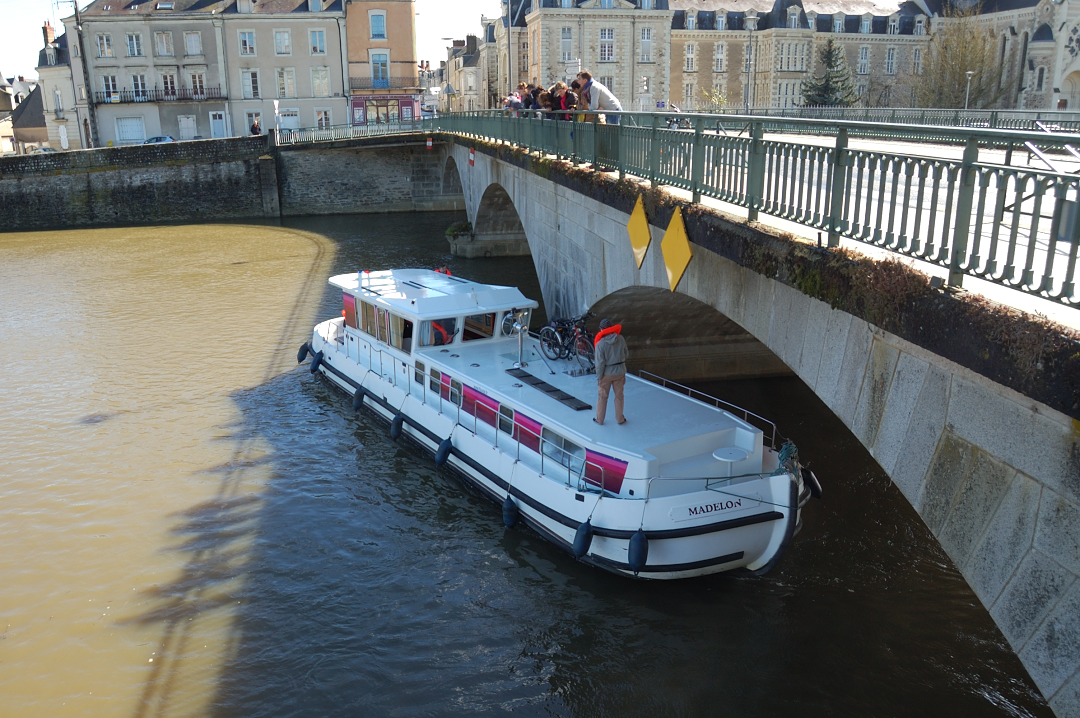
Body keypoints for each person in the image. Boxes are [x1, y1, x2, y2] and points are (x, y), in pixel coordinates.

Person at [593, 318, 628, 426]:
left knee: (602, 397)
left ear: (601, 329)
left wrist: (599, 377)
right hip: (620, 372)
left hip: (606, 374)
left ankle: (600, 419)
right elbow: (626, 354)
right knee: (619, 396)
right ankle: (620, 419)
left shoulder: (600, 344)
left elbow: (599, 363)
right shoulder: (621, 339)